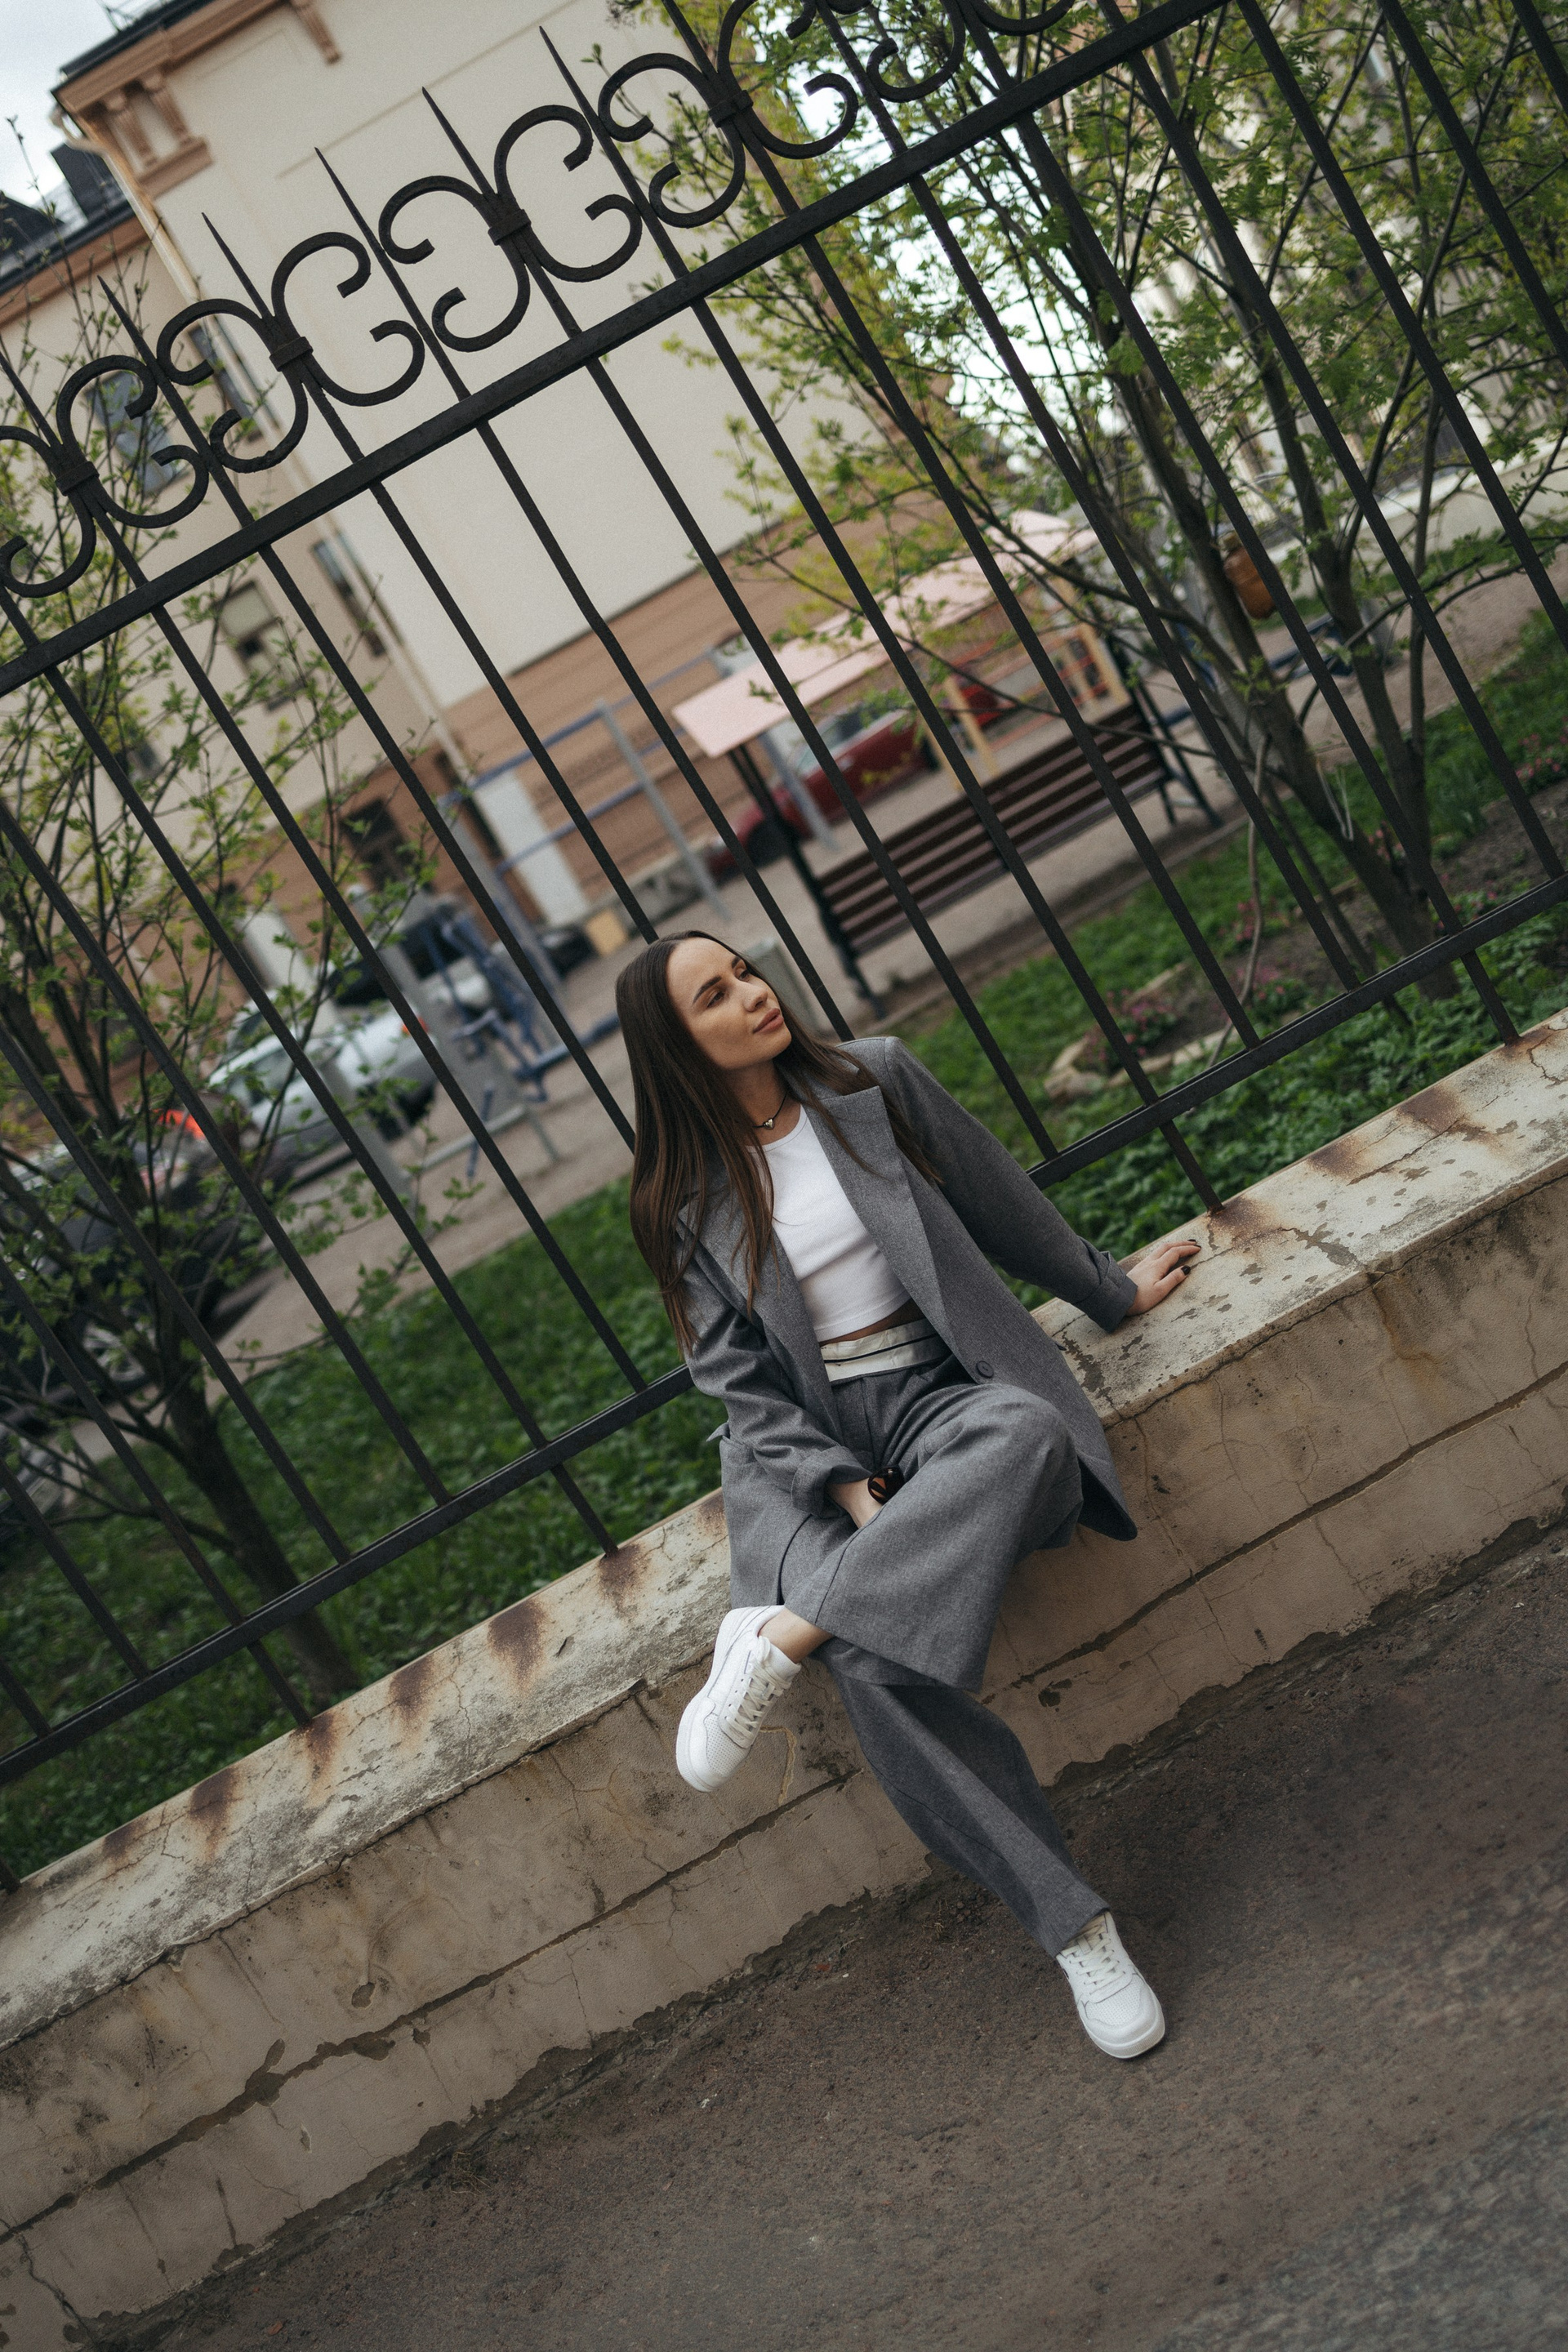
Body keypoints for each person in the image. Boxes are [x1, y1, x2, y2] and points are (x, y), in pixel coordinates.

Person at [617, 933, 1198, 2060]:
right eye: (716, 996)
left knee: (1028, 1431)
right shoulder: (677, 1198)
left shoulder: (869, 1080)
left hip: (941, 1387)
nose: (754, 995)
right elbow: (737, 1386)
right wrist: (845, 1489)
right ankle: (1077, 1931)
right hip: (809, 1445)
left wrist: (1109, 1290)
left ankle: (782, 1635)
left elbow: (999, 1199)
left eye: (746, 973)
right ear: (675, 1047)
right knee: (878, 1668)